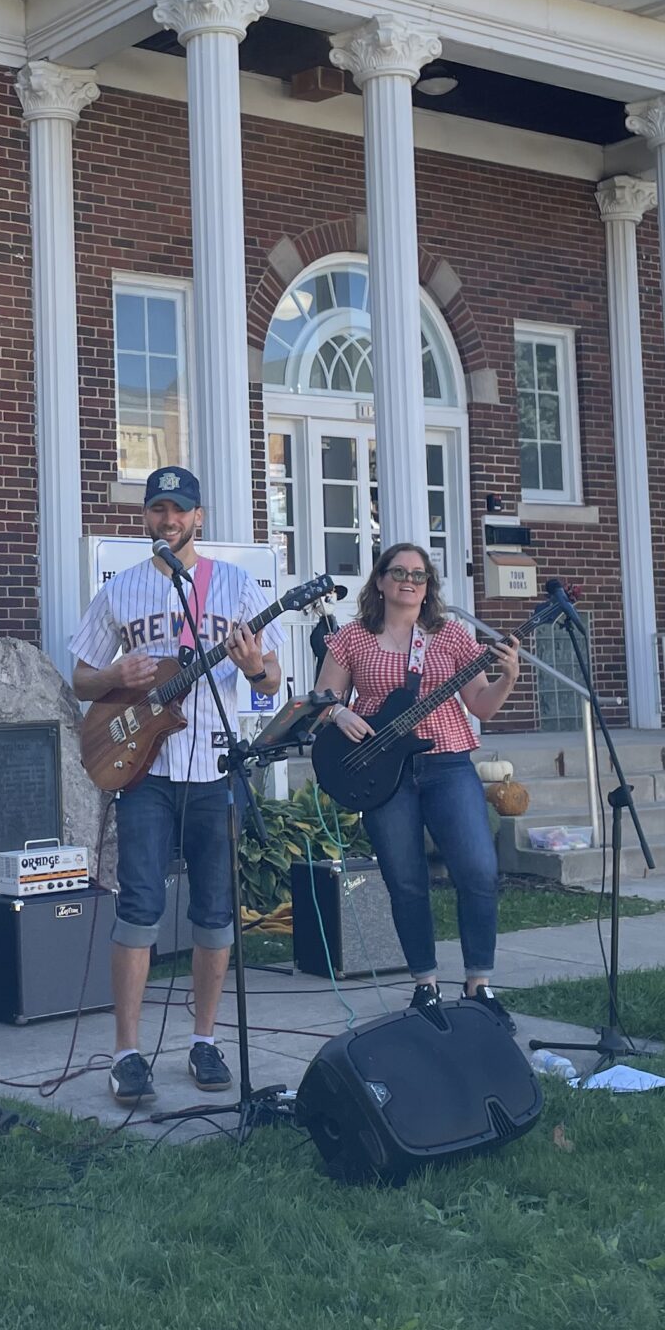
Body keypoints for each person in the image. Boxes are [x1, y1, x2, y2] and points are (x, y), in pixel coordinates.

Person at [69, 465, 280, 1107]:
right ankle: (127, 1052)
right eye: (158, 509)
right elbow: (79, 680)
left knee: (216, 911)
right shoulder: (121, 591)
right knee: (139, 907)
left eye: (179, 510)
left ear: (199, 517)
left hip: (214, 768)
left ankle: (204, 1040)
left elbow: (270, 681)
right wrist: (112, 673)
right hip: (145, 771)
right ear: (146, 518)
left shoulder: (236, 586)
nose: (168, 520)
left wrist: (253, 668)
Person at [321, 544, 520, 1015]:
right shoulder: (351, 638)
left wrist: (507, 677)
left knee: (477, 870)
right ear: (381, 581)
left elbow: (482, 706)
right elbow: (322, 697)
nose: (409, 581)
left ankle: (478, 985)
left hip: (448, 763)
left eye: (419, 574)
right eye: (399, 572)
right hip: (383, 774)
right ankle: (425, 983)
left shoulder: (449, 637)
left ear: (428, 586)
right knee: (406, 881)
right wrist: (339, 711)